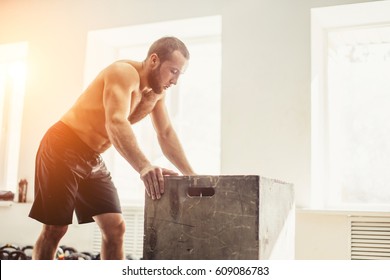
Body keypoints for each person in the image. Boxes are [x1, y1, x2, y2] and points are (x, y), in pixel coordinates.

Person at [29, 36, 195, 260]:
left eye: (179, 74)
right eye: (173, 71)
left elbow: (165, 134)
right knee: (55, 229)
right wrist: (144, 166)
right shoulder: (123, 73)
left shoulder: (157, 95)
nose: (175, 81)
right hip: (63, 144)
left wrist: (192, 176)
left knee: (115, 228)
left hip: (91, 156)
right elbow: (115, 122)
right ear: (154, 60)